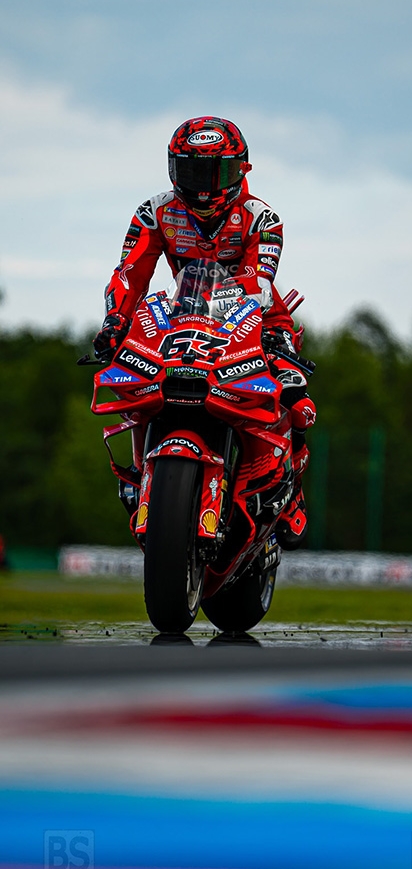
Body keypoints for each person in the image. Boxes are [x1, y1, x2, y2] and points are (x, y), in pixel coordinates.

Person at [93, 116, 314, 549]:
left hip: (260, 318)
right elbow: (130, 273)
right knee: (134, 373)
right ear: (173, 169)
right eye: (194, 172)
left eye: (218, 173)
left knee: (295, 394)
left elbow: (258, 282)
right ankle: (142, 470)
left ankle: (290, 489)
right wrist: (115, 321)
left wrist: (268, 337)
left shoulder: (262, 219)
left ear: (242, 169)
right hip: (183, 314)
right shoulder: (154, 212)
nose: (205, 187)